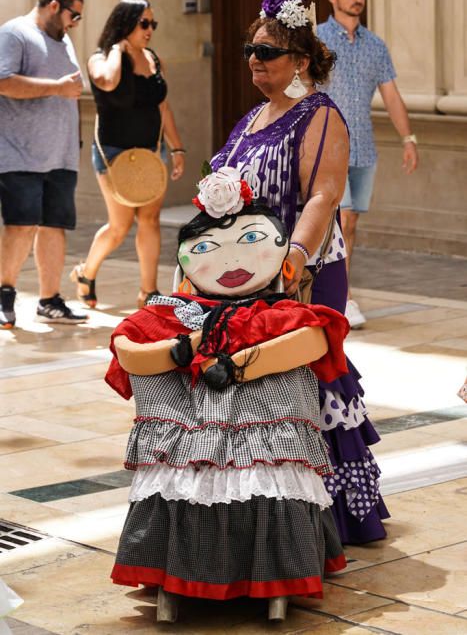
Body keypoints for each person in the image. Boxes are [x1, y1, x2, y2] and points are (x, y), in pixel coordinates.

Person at [105, 170, 348, 621]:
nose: (231, 260)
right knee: (193, 474)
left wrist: (235, 365)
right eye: (207, 250)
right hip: (189, 433)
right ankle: (186, 577)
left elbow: (313, 341)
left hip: (269, 431)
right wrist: (184, 347)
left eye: (251, 239)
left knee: (268, 473)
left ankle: (271, 577)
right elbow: (128, 350)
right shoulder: (171, 314)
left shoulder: (284, 312)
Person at [209, 0, 389, 544]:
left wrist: (296, 253)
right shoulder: (253, 118)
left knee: (305, 381)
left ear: (301, 60)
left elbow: (324, 193)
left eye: (267, 53)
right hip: (247, 274)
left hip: (304, 272)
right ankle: (258, 517)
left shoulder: (320, 114)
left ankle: (326, 518)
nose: (255, 63)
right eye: (251, 53)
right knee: (254, 386)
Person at [317, 0, 419, 328]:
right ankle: (340, 298)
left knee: (351, 222)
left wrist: (408, 138)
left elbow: (391, 95)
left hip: (364, 148)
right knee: (340, 220)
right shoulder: (317, 41)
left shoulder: (375, 45)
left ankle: (334, 292)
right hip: (328, 147)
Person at [70, 0, 185, 310]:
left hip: (150, 152)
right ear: (125, 24)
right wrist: (119, 50)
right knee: (119, 227)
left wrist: (176, 147)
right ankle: (86, 273)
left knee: (150, 219)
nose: (149, 30)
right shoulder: (101, 58)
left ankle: (148, 292)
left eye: (153, 24)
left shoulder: (153, 59)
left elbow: (162, 105)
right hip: (114, 154)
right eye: (143, 23)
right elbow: (107, 81)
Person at [0, 0, 87, 328]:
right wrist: (57, 88)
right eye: (73, 15)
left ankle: (50, 301)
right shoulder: (15, 34)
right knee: (21, 227)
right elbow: (3, 81)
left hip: (61, 154)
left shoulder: (63, 40)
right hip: (20, 152)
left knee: (55, 227)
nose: (75, 23)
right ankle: (5, 295)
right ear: (54, 5)